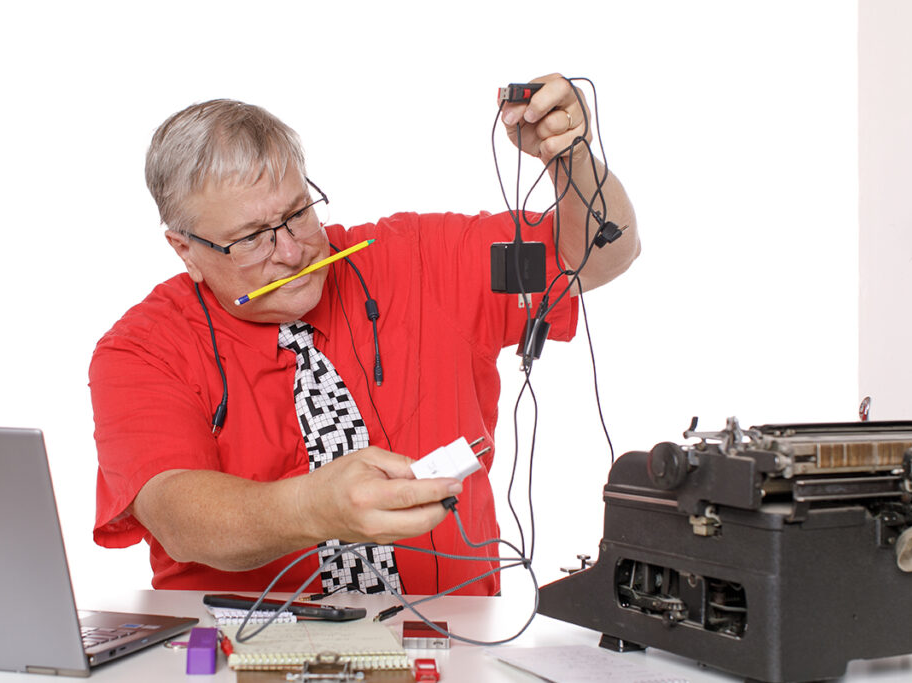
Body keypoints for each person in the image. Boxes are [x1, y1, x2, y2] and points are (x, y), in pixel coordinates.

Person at [90, 73, 639, 595]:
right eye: (252, 238)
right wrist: (314, 508)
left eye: (298, 213)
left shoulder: (420, 259)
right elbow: (178, 518)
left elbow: (594, 255)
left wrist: (569, 157)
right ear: (185, 250)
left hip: (450, 641)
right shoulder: (141, 349)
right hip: (239, 650)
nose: (291, 251)